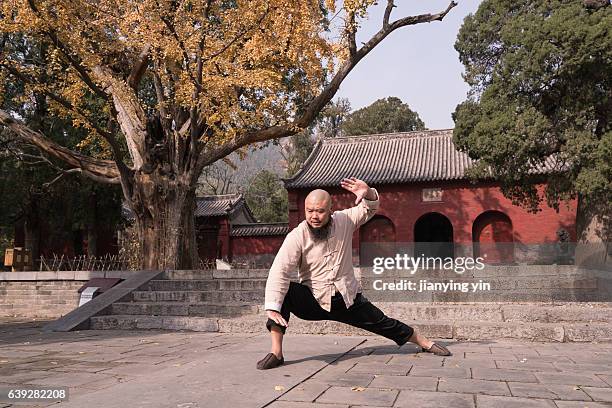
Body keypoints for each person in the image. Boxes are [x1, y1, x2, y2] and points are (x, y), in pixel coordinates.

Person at [256, 177, 451, 370]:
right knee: (284, 293)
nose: (314, 216)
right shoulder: (297, 236)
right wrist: (273, 306)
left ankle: (425, 342)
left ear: (330, 211)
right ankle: (276, 352)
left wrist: (369, 193)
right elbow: (279, 270)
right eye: (310, 211)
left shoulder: (344, 220)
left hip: (347, 298)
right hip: (314, 299)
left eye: (320, 211)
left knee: (382, 322)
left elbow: (369, 208)